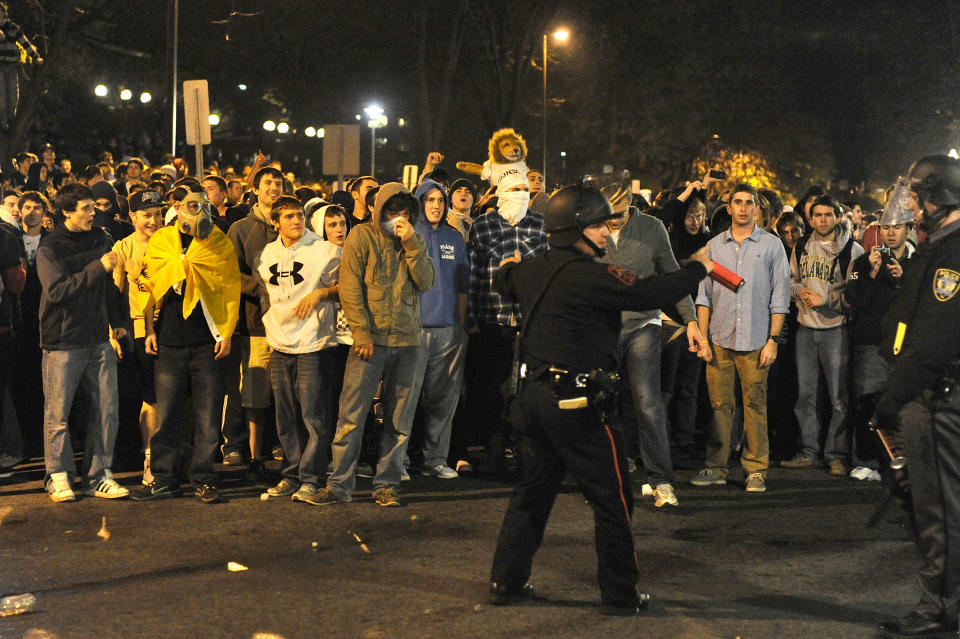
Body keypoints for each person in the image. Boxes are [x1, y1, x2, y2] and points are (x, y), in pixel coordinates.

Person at [488, 183, 713, 614]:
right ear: (574, 230)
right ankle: (620, 595)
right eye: (599, 226)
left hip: (533, 401)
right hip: (577, 406)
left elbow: (505, 277)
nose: (609, 234)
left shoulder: (533, 270)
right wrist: (697, 268)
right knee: (613, 498)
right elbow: (649, 294)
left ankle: (506, 582)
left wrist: (508, 268)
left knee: (531, 495)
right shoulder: (594, 276)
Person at [875, 155, 960, 639]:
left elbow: (933, 340)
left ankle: (938, 606)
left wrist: (892, 398)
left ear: (937, 197)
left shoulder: (953, 253)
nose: (911, 205)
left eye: (918, 196)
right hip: (926, 393)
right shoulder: (939, 246)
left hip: (937, 399)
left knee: (939, 511)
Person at [319, 183, 434, 507]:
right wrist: (362, 334)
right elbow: (350, 289)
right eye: (392, 210)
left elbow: (426, 281)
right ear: (380, 209)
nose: (398, 217)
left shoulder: (414, 240)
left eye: (405, 212)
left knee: (400, 419)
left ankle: (386, 485)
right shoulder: (361, 237)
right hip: (370, 343)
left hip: (408, 340)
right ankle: (339, 485)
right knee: (351, 415)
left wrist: (410, 242)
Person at [600, 176, 704, 508]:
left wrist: (692, 323)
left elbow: (674, 276)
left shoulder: (653, 228)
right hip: (600, 327)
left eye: (619, 211)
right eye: (608, 212)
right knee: (597, 403)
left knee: (648, 402)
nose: (613, 219)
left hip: (643, 323)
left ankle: (660, 480)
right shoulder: (588, 228)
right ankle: (603, 479)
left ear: (629, 203)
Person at [131, 192, 240, 503]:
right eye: (194, 206)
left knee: (207, 419)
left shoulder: (218, 241)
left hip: (208, 343)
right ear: (176, 209)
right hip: (168, 342)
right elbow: (149, 284)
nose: (200, 211)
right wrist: (149, 328)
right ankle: (164, 479)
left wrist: (227, 331)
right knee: (166, 416)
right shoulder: (162, 241)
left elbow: (230, 285)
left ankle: (204, 478)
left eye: (203, 206)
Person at [690, 183, 791, 493]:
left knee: (755, 405)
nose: (744, 207)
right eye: (738, 202)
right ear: (729, 207)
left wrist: (773, 339)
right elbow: (704, 297)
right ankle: (716, 467)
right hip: (719, 338)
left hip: (757, 339)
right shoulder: (713, 247)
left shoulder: (772, 246)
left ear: (757, 209)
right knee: (720, 406)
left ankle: (756, 469)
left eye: (750, 203)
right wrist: (704, 338)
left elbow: (780, 297)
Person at [36, 183, 128, 502]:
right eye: (86, 208)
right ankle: (58, 475)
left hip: (98, 338)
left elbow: (107, 288)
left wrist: (117, 324)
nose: (93, 213)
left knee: (107, 409)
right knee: (58, 414)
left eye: (93, 207)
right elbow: (58, 291)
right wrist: (98, 267)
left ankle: (99, 475)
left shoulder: (101, 238)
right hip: (62, 342)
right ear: (66, 212)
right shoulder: (50, 247)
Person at [256, 196, 341, 505]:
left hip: (313, 344)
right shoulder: (268, 253)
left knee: (314, 417)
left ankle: (312, 479)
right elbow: (267, 292)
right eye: (289, 217)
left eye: (299, 215)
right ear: (275, 222)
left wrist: (323, 293)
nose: (296, 220)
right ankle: (290, 475)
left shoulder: (325, 250)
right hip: (279, 345)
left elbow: (351, 285)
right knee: (286, 416)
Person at [782, 194, 863, 475]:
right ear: (810, 218)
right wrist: (799, 292)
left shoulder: (853, 250)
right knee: (805, 396)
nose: (823, 220)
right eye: (818, 215)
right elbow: (790, 281)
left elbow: (856, 296)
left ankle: (836, 454)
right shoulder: (802, 246)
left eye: (828, 215)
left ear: (838, 217)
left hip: (836, 331)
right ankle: (808, 451)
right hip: (806, 329)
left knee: (838, 398)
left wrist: (826, 300)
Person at [406, 178, 469, 479]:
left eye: (440, 200)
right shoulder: (406, 234)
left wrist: (460, 323)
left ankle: (436, 460)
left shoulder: (454, 237)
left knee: (443, 400)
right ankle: (398, 462)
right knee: (405, 399)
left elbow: (462, 283)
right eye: (429, 200)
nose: (435, 205)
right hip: (413, 331)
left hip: (448, 332)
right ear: (419, 203)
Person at [227, 166, 282, 474]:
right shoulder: (240, 229)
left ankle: (281, 446)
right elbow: (229, 276)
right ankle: (252, 453)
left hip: (289, 324)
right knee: (254, 390)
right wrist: (259, 286)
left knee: (283, 390)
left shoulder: (290, 225)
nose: (273, 188)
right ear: (257, 190)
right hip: (255, 323)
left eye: (278, 183)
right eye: (268, 183)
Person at [111, 189, 165, 484]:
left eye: (158, 214)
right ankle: (150, 459)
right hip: (138, 331)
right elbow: (114, 294)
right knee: (149, 396)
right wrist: (114, 329)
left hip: (169, 328)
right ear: (132, 216)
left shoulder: (171, 242)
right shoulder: (123, 249)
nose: (154, 221)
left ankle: (166, 456)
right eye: (147, 215)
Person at [0, 2, 41, 130]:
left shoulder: (13, 28)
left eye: (0, 13)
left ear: (4, 14)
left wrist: (35, 56)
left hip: (11, 66)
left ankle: (11, 122)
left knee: (12, 97)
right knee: (1, 99)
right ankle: (3, 125)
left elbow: (24, 42)